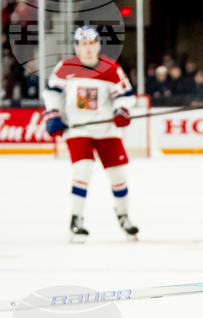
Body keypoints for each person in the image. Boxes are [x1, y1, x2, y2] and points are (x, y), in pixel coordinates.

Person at [42, 26, 139, 241]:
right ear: (77, 46)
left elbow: (125, 95)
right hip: (78, 129)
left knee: (119, 175)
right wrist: (53, 114)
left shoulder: (110, 68)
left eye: (92, 43)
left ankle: (123, 216)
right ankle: (76, 220)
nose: (88, 48)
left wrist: (121, 109)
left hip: (107, 130)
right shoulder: (65, 67)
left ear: (98, 45)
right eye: (84, 44)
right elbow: (52, 94)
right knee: (82, 171)